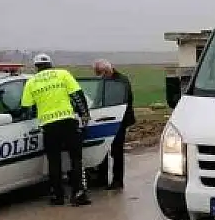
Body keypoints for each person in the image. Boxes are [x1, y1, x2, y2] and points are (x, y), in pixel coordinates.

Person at [21, 53, 92, 206]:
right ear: (50, 64)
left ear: (36, 67)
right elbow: (77, 95)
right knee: (76, 158)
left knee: (54, 161)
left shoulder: (31, 82)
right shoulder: (63, 74)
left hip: (48, 125)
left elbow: (26, 108)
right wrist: (84, 114)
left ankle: (57, 196)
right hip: (68, 122)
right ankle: (78, 194)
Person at [92, 59, 135, 190]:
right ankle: (102, 178)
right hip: (103, 119)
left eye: (101, 73)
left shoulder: (122, 81)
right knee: (102, 149)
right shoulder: (103, 81)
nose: (101, 76)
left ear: (107, 71)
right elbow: (98, 97)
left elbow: (126, 99)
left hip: (119, 120)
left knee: (117, 151)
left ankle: (117, 180)